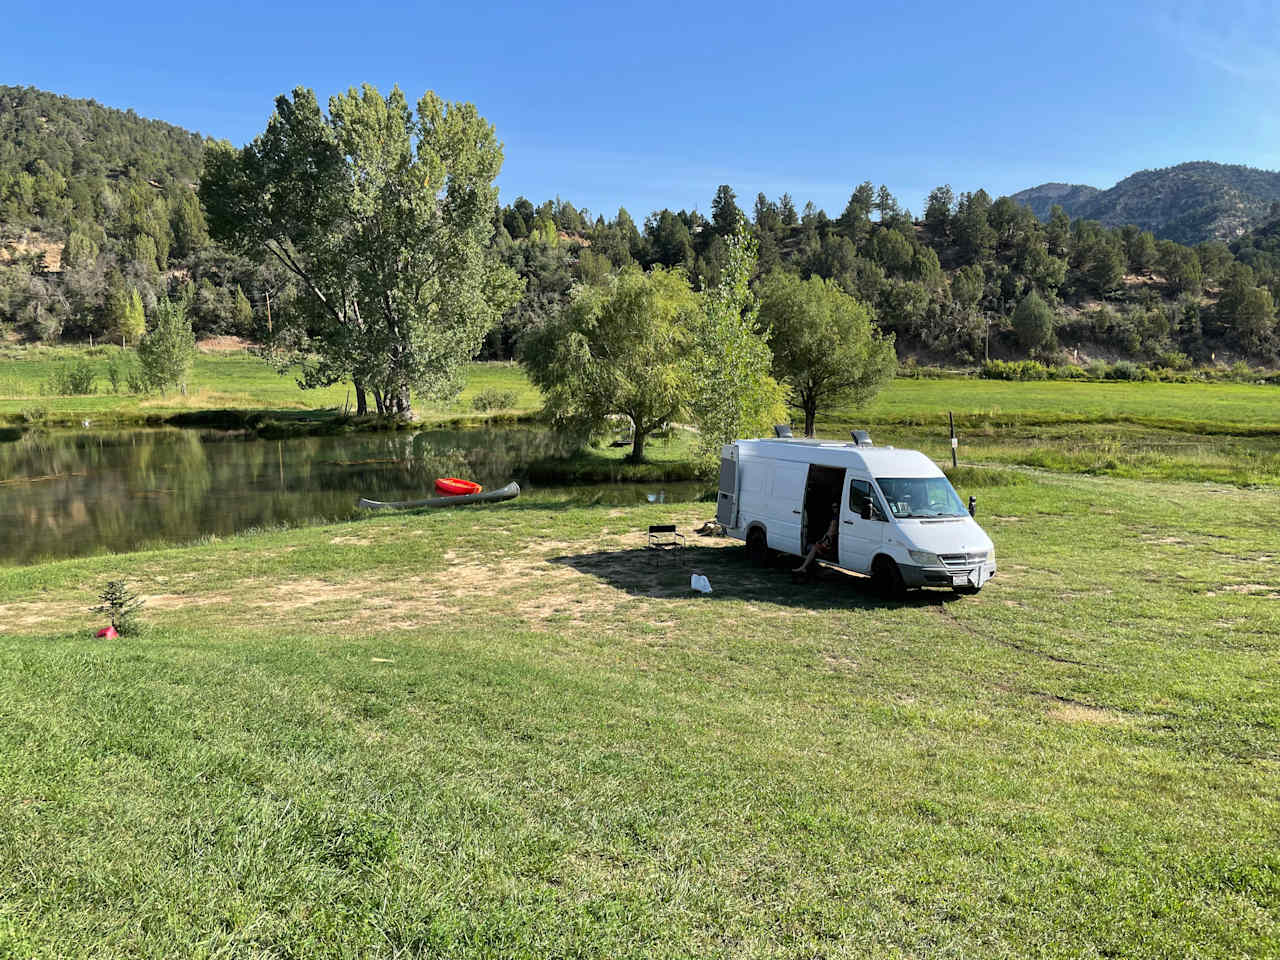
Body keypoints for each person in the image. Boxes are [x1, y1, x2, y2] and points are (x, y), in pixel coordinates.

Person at [794, 500, 840, 575]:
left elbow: (830, 535)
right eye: (833, 507)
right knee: (814, 546)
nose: (834, 509)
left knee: (814, 548)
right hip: (827, 543)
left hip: (829, 547)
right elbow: (828, 534)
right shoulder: (835, 518)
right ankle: (807, 567)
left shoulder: (836, 520)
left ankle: (803, 567)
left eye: (836, 507)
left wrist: (822, 542)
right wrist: (821, 541)